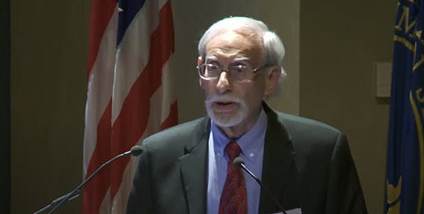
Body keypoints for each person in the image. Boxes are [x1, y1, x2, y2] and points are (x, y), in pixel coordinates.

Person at [127, 16, 367, 214]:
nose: (222, 84)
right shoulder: (159, 156)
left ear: (271, 79)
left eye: (238, 69)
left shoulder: (322, 153)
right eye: (212, 68)